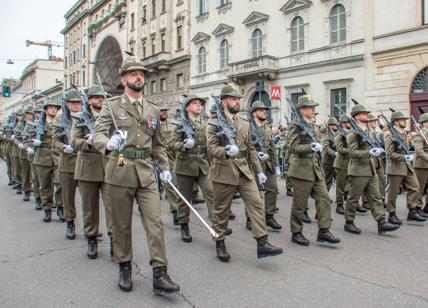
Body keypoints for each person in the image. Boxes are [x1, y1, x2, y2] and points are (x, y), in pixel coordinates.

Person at [93, 55, 179, 294]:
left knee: (155, 223)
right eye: (134, 73)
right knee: (121, 225)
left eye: (142, 73)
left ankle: (160, 273)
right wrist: (108, 143)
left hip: (146, 174)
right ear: (124, 79)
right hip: (119, 170)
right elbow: (97, 135)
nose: (139, 76)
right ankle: (124, 266)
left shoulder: (152, 109)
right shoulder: (111, 106)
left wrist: (165, 169)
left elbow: (158, 145)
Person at [206, 84, 283, 262]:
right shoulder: (213, 123)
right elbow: (210, 149)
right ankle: (220, 242)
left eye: (238, 99)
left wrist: (258, 171)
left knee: (256, 204)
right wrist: (225, 150)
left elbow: (251, 149)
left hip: (244, 170)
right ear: (223, 102)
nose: (237, 102)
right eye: (233, 99)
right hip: (223, 171)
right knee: (221, 210)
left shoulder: (244, 123)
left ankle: (262, 242)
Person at [287, 95, 340, 246]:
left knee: (324, 198)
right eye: (310, 107)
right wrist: (310, 147)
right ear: (302, 110)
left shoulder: (313, 126)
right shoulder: (296, 125)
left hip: (316, 169)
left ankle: (323, 231)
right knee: (300, 204)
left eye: (313, 107)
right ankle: (296, 232)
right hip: (301, 170)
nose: (313, 109)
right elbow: (292, 147)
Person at [344, 103, 400, 235]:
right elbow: (352, 153)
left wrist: (377, 150)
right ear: (357, 117)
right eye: (364, 113)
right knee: (353, 198)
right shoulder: (353, 133)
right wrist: (370, 153)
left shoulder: (369, 131)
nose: (366, 115)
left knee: (376, 197)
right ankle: (349, 222)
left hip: (371, 169)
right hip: (358, 170)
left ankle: (381, 222)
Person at [71, 85, 113, 258]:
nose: (100, 101)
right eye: (96, 98)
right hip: (87, 165)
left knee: (113, 206)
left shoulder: (111, 116)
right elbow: (74, 141)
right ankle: (91, 237)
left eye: (102, 98)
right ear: (89, 100)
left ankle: (115, 238)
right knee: (89, 206)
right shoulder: (80, 118)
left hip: (109, 165)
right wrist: (88, 142)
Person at [172, 94, 215, 242]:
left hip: (203, 164)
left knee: (211, 192)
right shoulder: (180, 124)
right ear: (187, 107)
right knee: (184, 198)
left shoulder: (206, 123)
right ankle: (184, 225)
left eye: (201, 104)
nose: (199, 106)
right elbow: (172, 144)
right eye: (195, 103)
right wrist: (183, 145)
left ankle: (216, 224)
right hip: (185, 165)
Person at [384, 111, 427, 224]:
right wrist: (405, 157)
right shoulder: (390, 135)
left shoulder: (403, 133)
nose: (405, 121)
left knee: (415, 187)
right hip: (396, 167)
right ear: (397, 122)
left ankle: (412, 211)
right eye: (403, 120)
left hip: (407, 166)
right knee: (393, 192)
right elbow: (390, 154)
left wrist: (408, 158)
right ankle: (391, 214)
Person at [53, 90, 82, 238]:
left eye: (78, 102)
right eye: (73, 102)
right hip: (68, 161)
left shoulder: (86, 117)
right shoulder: (60, 119)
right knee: (68, 196)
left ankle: (91, 226)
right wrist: (64, 147)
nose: (76, 105)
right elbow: (55, 141)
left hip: (85, 162)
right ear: (67, 104)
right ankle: (70, 222)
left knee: (89, 198)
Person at [249, 101, 282, 231]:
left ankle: (269, 216)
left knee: (273, 189)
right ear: (255, 113)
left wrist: (277, 166)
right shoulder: (249, 127)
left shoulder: (267, 128)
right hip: (254, 164)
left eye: (265, 110)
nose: (265, 112)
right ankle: (250, 218)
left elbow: (272, 148)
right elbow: (247, 146)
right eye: (261, 110)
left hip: (268, 164)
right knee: (254, 193)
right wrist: (257, 154)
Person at [32, 99, 64, 222]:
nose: (53, 109)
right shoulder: (37, 124)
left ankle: (60, 207)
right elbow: (27, 138)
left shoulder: (61, 122)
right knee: (45, 186)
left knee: (60, 183)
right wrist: (34, 142)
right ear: (45, 110)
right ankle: (47, 208)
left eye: (55, 107)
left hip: (57, 157)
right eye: (50, 107)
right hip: (42, 158)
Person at [158, 101, 181, 225]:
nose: (164, 113)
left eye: (166, 110)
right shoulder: (152, 125)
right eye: (162, 111)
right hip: (153, 159)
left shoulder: (172, 125)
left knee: (171, 185)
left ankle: (176, 211)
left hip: (168, 158)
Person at [333, 115, 351, 214]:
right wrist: (352, 151)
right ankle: (339, 205)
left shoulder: (351, 133)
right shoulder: (339, 134)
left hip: (351, 163)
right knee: (340, 186)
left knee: (350, 184)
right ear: (343, 123)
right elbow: (340, 149)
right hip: (341, 163)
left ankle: (351, 203)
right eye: (348, 122)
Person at [413, 113, 428, 214]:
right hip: (421, 164)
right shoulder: (420, 134)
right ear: (425, 122)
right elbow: (419, 150)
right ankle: (417, 207)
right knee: (420, 187)